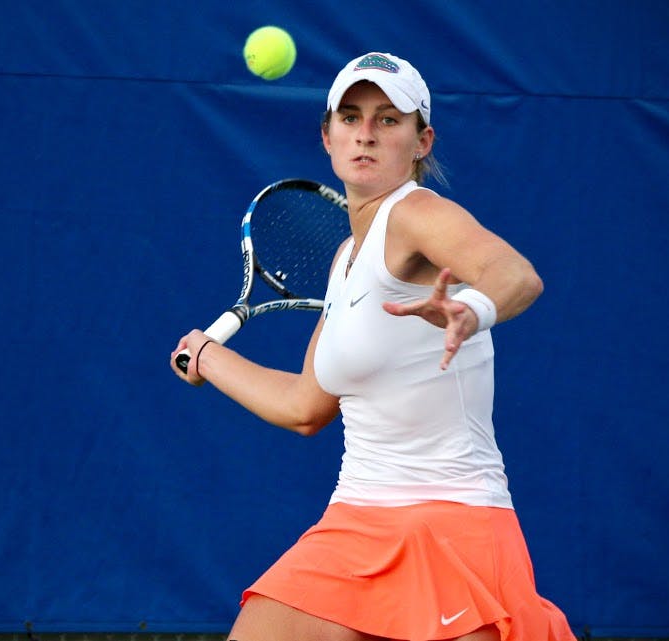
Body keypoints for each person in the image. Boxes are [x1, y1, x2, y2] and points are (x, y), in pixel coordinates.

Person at [170, 52, 575, 641]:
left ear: (421, 140)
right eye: (351, 117)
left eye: (389, 119)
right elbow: (306, 407)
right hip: (355, 520)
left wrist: (473, 309)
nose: (366, 133)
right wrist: (210, 357)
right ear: (328, 137)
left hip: (454, 521)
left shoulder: (417, 213)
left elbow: (513, 273)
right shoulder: (342, 262)